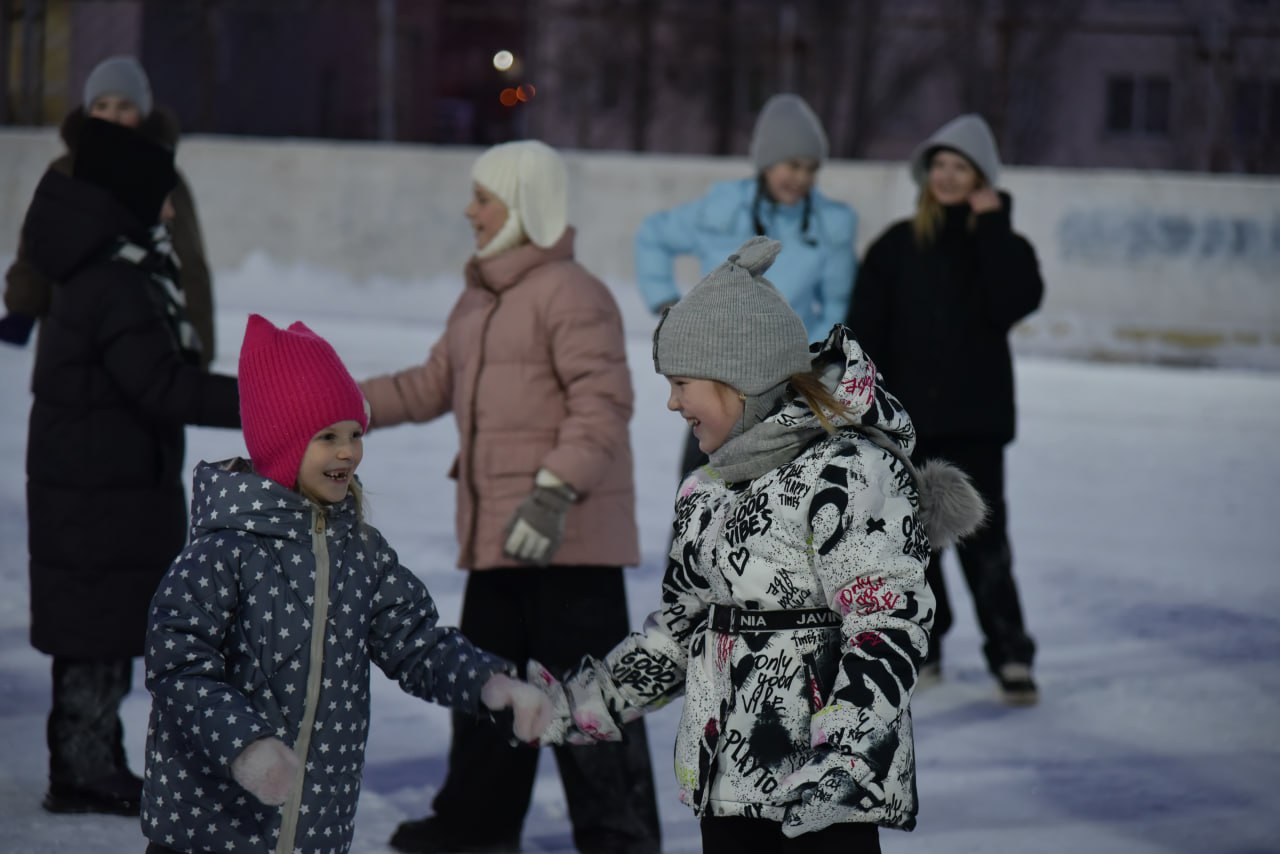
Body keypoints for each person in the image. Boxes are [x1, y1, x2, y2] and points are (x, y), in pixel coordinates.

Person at [526, 237, 986, 854]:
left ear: (737, 378)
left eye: (682, 382)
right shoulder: (707, 490)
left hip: (823, 794)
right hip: (729, 786)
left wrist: (845, 756)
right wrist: (581, 704)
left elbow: (886, 623)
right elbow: (681, 631)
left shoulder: (847, 473)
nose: (672, 401)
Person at [140, 314, 553, 854]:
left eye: (355, 433)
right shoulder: (226, 550)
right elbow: (177, 664)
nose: (348, 451)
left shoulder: (361, 553)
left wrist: (488, 684)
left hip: (316, 827)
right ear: (282, 444)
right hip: (214, 826)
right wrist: (245, 746)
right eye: (327, 437)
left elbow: (416, 642)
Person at [360, 140, 661, 854]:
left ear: (524, 205)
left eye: (484, 198)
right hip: (501, 536)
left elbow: (602, 407)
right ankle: (477, 825)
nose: (470, 211)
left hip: (570, 541)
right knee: (488, 686)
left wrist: (552, 493)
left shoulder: (572, 293)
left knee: (590, 701)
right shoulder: (482, 297)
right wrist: (337, 403)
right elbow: (429, 385)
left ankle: (620, 839)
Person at [17, 116, 241, 816]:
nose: (172, 212)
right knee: (93, 629)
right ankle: (82, 768)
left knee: (102, 624)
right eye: (163, 197)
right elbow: (163, 385)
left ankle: (95, 758)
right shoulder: (113, 281)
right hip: (95, 488)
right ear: (135, 195)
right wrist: (267, 401)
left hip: (100, 481)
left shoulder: (115, 269)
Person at [845, 113, 1044, 705]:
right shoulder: (896, 246)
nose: (949, 176)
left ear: (982, 177)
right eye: (940, 165)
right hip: (906, 424)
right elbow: (865, 330)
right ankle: (926, 645)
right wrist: (867, 410)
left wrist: (992, 223)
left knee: (985, 542)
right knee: (911, 541)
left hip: (975, 424)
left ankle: (1010, 652)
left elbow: (1014, 301)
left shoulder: (1000, 247)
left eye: (962, 167)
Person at [635, 92, 858, 480]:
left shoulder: (830, 225)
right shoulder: (722, 208)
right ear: (767, 162)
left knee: (776, 487)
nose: (800, 178)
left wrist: (806, 364)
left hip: (785, 385)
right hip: (716, 377)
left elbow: (837, 304)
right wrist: (667, 303)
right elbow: (653, 235)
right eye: (792, 165)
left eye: (810, 168)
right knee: (699, 483)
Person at [1, 55, 216, 369]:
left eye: (124, 106)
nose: (112, 116)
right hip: (70, 330)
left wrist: (199, 346)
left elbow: (190, 264)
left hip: (144, 331)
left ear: (142, 112)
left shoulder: (160, 176)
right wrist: (23, 307)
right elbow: (38, 245)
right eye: (101, 106)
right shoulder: (67, 171)